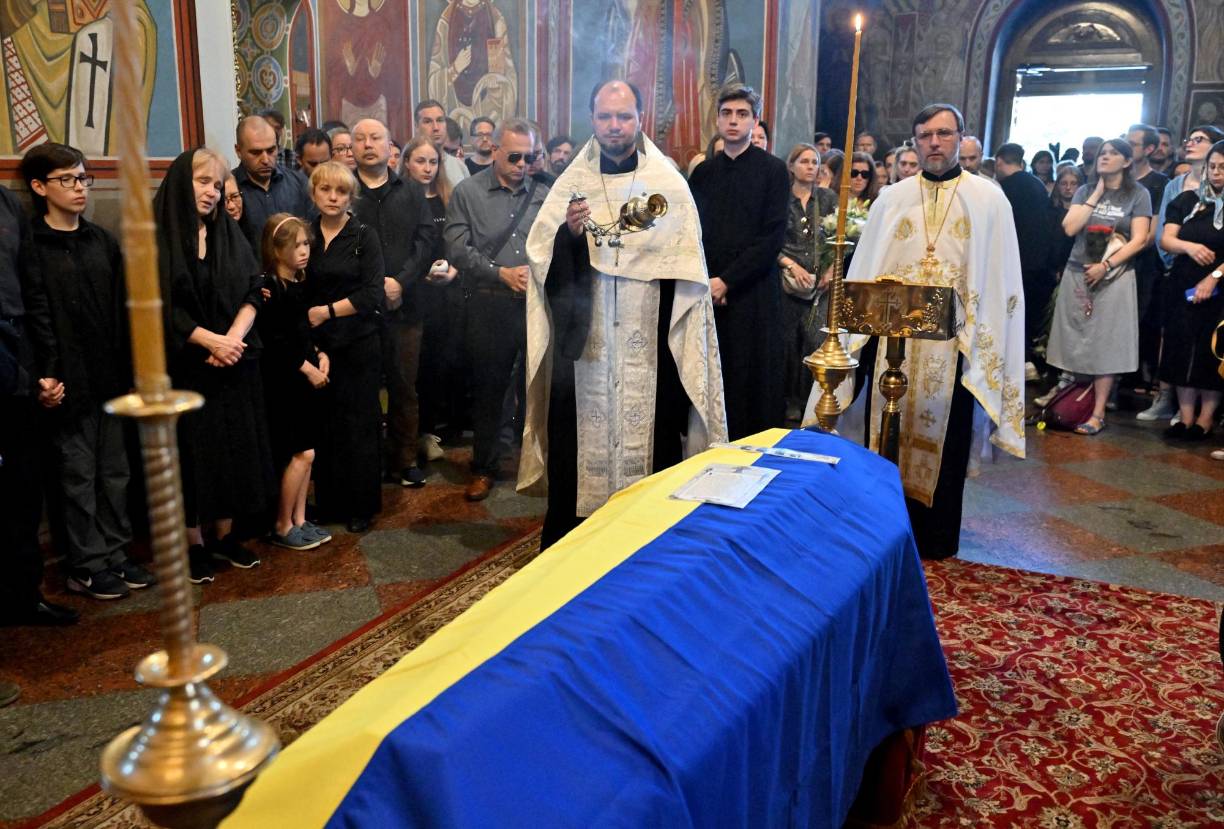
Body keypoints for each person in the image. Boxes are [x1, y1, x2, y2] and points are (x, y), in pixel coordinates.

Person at [520, 79, 726, 547]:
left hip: (647, 341)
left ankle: (647, 538)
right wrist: (569, 239)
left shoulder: (668, 183)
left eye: (624, 116)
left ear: (640, 119)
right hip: (586, 342)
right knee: (577, 443)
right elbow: (540, 262)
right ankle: (575, 542)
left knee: (653, 434)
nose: (615, 126)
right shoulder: (571, 184)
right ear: (592, 119)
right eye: (606, 116)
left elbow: (687, 267)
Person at [822, 102, 1026, 560]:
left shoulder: (988, 198)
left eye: (944, 134)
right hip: (892, 343)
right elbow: (867, 265)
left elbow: (1000, 279)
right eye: (925, 135)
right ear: (914, 142)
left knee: (945, 443)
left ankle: (935, 539)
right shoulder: (892, 199)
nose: (935, 142)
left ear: (960, 137)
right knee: (884, 437)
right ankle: (880, 531)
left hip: (951, 346)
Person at [20, 142, 152, 600]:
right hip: (66, 384)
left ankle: (116, 553)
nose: (79, 188)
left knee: (116, 472)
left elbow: (120, 312)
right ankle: (86, 564)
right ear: (39, 187)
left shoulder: (100, 241)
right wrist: (45, 374)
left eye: (83, 179)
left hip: (109, 377)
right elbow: (36, 318)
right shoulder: (31, 247)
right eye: (68, 180)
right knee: (77, 477)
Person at [154, 148, 275, 581]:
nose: (212, 192)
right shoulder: (158, 236)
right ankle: (194, 544)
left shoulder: (227, 232)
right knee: (193, 453)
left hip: (233, 361)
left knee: (233, 450)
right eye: (202, 182)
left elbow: (254, 288)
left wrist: (233, 339)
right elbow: (161, 305)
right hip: (186, 366)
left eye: (217, 185)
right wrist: (209, 341)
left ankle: (224, 536)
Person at [445, 118, 548, 501]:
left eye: (531, 157)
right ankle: (485, 467)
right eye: (515, 156)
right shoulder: (468, 192)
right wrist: (499, 273)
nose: (523, 164)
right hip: (490, 305)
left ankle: (538, 463)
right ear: (496, 152)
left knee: (539, 386)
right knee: (490, 390)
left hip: (537, 306)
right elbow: (456, 247)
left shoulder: (545, 190)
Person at [690, 83, 789, 439]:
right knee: (718, 378)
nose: (734, 121)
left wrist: (727, 280)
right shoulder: (703, 174)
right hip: (711, 293)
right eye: (727, 114)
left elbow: (772, 238)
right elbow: (693, 235)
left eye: (742, 114)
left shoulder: (774, 171)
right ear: (716, 119)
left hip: (754, 292)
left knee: (755, 383)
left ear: (755, 120)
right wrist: (710, 280)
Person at [0, 177, 79, 627]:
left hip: (19, 353)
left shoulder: (8, 205)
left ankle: (24, 595)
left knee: (24, 490)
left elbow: (32, 290)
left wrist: (43, 369)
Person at [351, 118, 436, 489]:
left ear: (390, 148)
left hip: (406, 305)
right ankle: (367, 462)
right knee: (363, 389)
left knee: (404, 386)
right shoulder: (344, 190)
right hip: (357, 310)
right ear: (352, 147)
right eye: (360, 138)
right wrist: (373, 286)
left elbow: (426, 240)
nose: (368, 144)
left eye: (376, 138)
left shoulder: (412, 192)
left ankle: (405, 459)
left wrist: (400, 281)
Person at [1047, 138, 1152, 436]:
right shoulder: (1084, 189)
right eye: (1102, 153)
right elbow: (1070, 228)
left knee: (1105, 342)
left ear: (1127, 161)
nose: (1105, 157)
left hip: (1114, 275)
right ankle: (1074, 401)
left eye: (1113, 153)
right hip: (1078, 270)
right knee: (1077, 337)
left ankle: (1097, 411)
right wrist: (1096, 192)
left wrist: (1106, 265)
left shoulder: (1138, 194)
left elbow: (1140, 239)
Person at [304, 161, 386, 533]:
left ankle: (361, 504)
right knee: (325, 424)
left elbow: (372, 294)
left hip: (357, 343)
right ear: (314, 193)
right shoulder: (305, 234)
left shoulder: (363, 236)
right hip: (320, 346)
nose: (333, 197)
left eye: (340, 191)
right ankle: (331, 502)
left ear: (350, 196)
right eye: (326, 190)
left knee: (359, 425)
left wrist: (327, 312)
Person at [256, 213, 332, 550]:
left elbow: (301, 332)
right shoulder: (269, 287)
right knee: (300, 453)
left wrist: (320, 353)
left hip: (304, 377)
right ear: (276, 250)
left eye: (305, 244)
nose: (304, 251)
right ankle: (283, 524)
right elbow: (276, 343)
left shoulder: (298, 285)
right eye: (295, 245)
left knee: (309, 455)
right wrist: (308, 367)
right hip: (285, 381)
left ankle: (301, 519)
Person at [1140, 124, 1224, 422]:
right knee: (1178, 343)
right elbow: (1166, 236)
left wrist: (1214, 276)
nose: (1216, 172)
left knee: (1209, 347)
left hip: (1218, 286)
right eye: (1212, 167)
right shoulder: (1186, 198)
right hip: (1182, 279)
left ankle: (1205, 419)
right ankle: (1184, 415)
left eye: (1221, 167)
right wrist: (1187, 248)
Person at [402, 135, 462, 461]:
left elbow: (459, 241)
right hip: (414, 291)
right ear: (407, 163)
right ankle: (418, 434)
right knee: (417, 366)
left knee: (442, 361)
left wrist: (453, 269)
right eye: (420, 161)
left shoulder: (448, 196)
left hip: (446, 291)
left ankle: (437, 428)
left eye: (433, 162)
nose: (427, 168)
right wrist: (417, 274)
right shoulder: (401, 198)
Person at [777, 143, 836, 420]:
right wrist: (790, 264)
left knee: (816, 340)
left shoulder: (827, 199)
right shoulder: (780, 198)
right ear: (791, 166)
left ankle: (811, 402)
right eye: (804, 161)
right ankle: (787, 402)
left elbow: (841, 237)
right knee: (788, 343)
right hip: (788, 281)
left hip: (821, 283)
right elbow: (770, 240)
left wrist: (832, 268)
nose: (811, 167)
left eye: (815, 162)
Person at [995, 142, 1056, 380]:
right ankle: (1027, 361)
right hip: (1040, 264)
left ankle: (1016, 362)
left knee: (1011, 314)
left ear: (999, 162)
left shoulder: (1001, 189)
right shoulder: (1038, 185)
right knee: (1028, 316)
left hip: (1014, 262)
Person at [1126, 124, 1170, 391]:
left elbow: (1151, 234)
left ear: (1149, 149)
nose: (1126, 148)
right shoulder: (1118, 179)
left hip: (1142, 265)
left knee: (1138, 321)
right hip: (1111, 260)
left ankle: (1133, 377)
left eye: (1133, 144)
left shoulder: (1159, 184)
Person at [232, 115, 313, 251]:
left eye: (271, 151)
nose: (265, 159)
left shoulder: (299, 182)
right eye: (255, 152)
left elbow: (313, 231)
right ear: (238, 151)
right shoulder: (229, 189)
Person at [414, 100, 469, 186]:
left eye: (440, 120)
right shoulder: (408, 166)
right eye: (428, 121)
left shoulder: (459, 167)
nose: (436, 127)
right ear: (417, 127)